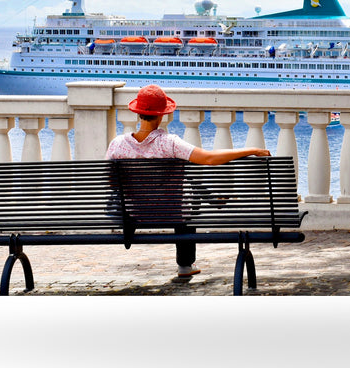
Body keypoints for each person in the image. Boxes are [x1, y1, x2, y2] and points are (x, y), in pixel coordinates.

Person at [105, 84, 271, 278]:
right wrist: (252, 150)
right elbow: (209, 158)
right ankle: (185, 265)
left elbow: (111, 183)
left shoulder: (117, 145)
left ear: (138, 113)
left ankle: (208, 199)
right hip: (172, 213)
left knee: (181, 186)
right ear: (162, 115)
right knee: (187, 197)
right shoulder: (170, 143)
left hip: (134, 214)